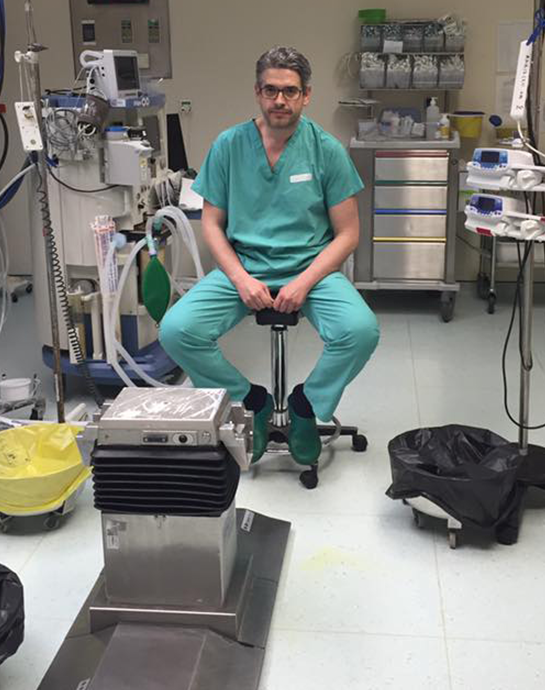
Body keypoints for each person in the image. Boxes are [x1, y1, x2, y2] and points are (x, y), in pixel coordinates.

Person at [160, 46, 380, 466]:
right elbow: (212, 225)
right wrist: (241, 279)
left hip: (311, 269)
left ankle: (306, 406)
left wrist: (303, 282)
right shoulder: (229, 146)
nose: (280, 100)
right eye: (271, 90)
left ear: (306, 95)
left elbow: (348, 234)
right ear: (257, 92)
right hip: (244, 266)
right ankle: (250, 402)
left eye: (290, 91)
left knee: (360, 331)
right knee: (176, 330)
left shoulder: (326, 150)